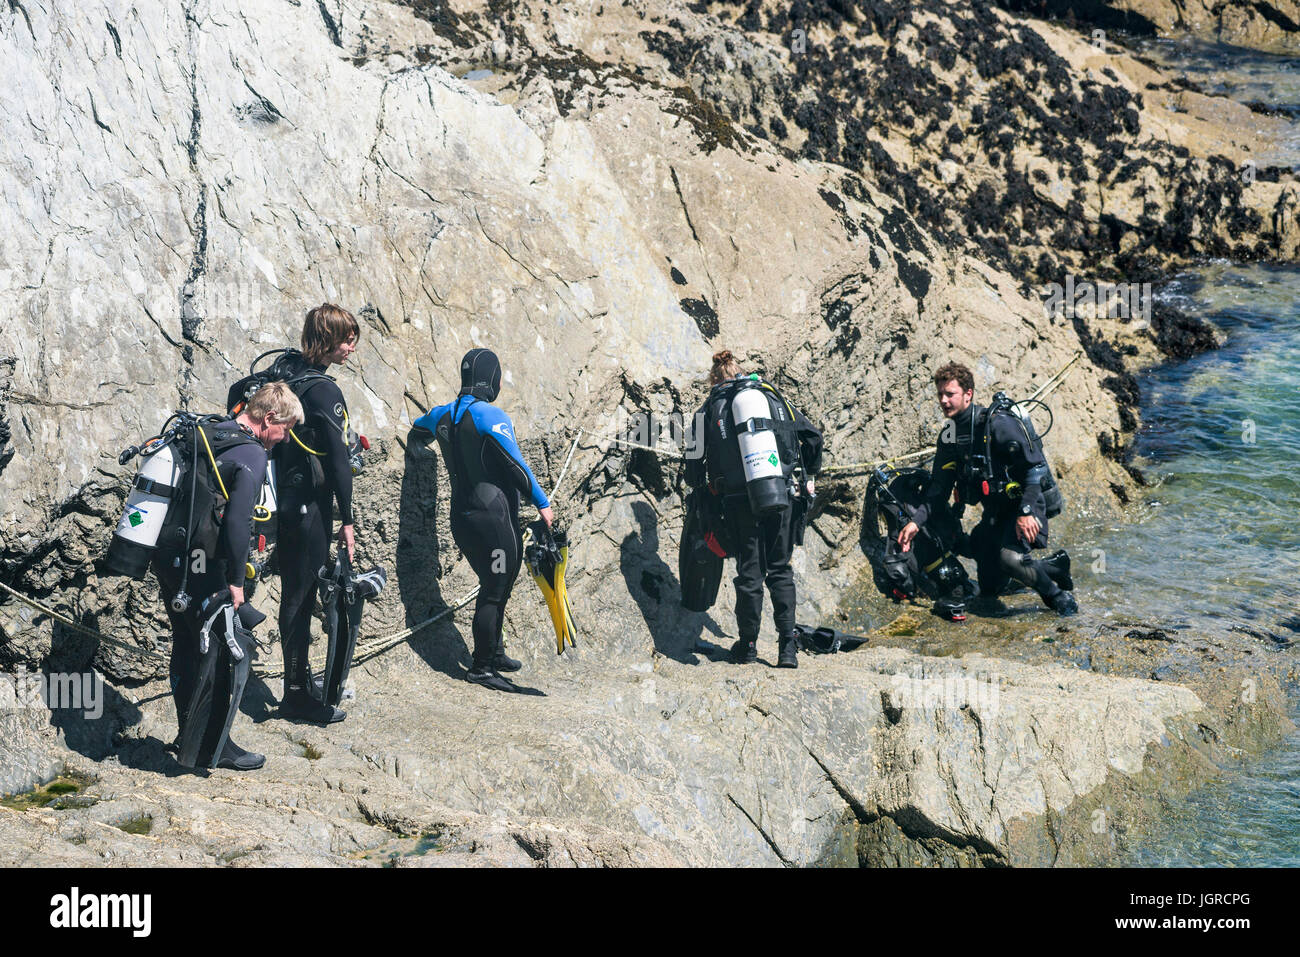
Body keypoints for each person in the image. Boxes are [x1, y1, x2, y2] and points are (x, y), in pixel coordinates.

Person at [154, 383, 302, 770]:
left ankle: (189, 734)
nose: (284, 439)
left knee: (186, 643)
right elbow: (239, 523)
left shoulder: (213, 432)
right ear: (269, 418)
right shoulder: (252, 452)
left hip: (173, 556)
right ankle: (211, 749)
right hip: (206, 565)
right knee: (220, 651)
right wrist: (236, 581)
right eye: (285, 429)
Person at [410, 348, 553, 692]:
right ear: (492, 379)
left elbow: (418, 429)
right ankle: (482, 667)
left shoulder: (442, 414)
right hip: (495, 523)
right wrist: (543, 504)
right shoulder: (491, 416)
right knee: (495, 589)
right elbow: (517, 467)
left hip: (462, 520)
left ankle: (494, 650)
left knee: (494, 585)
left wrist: (419, 448)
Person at [898, 362, 1078, 616]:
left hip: (1024, 504)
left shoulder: (996, 424)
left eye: (950, 394)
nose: (944, 400)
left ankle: (1059, 598)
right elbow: (939, 488)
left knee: (1010, 560)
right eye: (940, 394)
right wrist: (916, 522)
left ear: (968, 394)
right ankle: (1055, 567)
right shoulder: (949, 434)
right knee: (988, 584)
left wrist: (1026, 512)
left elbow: (1033, 470)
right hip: (994, 513)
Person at [685, 350, 824, 668]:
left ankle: (747, 645)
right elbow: (813, 437)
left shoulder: (705, 411)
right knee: (780, 569)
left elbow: (692, 473)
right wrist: (810, 474)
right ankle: (787, 648)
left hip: (737, 502)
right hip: (782, 493)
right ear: (741, 371)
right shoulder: (774, 397)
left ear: (714, 379)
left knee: (749, 574)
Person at [274, 304, 360, 723]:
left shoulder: (284, 371)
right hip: (309, 507)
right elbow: (340, 462)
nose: (351, 349)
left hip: (284, 501)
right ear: (327, 339)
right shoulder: (325, 392)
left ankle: (299, 681)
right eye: (346, 340)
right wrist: (348, 520)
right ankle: (295, 694)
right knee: (301, 595)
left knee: (297, 591)